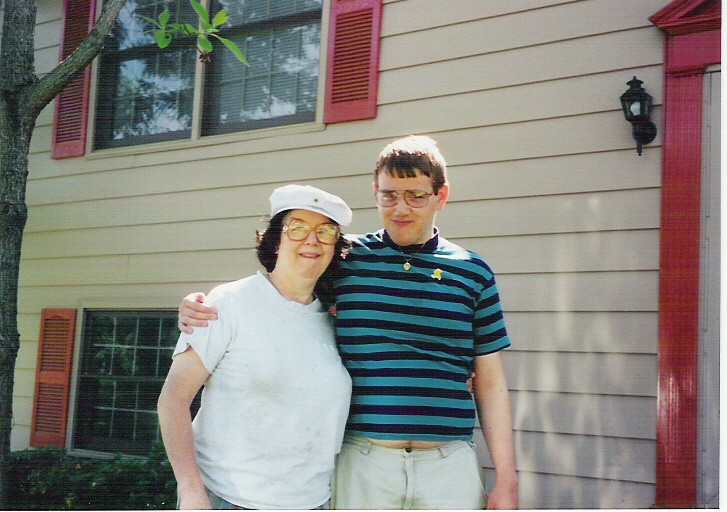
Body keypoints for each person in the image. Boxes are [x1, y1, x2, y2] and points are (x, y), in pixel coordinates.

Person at [179, 135, 519, 510]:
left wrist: (506, 477)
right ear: (375, 194)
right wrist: (199, 304)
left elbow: (491, 383)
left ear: (442, 195)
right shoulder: (346, 259)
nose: (401, 208)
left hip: (448, 464)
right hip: (364, 461)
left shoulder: (473, 272)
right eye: (389, 195)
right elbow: (282, 291)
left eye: (416, 196)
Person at [158, 184, 354, 510]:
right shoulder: (228, 303)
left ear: (335, 247)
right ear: (275, 240)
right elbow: (173, 399)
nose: (312, 240)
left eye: (326, 231)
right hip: (228, 499)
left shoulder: (336, 321)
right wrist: (191, 490)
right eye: (297, 228)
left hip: (312, 503)